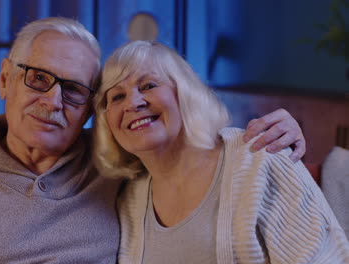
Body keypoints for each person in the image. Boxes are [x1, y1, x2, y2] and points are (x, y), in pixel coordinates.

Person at [0, 17, 306, 263]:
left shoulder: (116, 161)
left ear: (89, 109)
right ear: (5, 79)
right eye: (39, 78)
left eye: (74, 90)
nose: (53, 101)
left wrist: (272, 133)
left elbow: (185, 145)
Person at [93, 40, 349, 263]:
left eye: (148, 85)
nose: (133, 103)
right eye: (117, 97)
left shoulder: (260, 156)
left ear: (184, 92)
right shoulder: (129, 201)